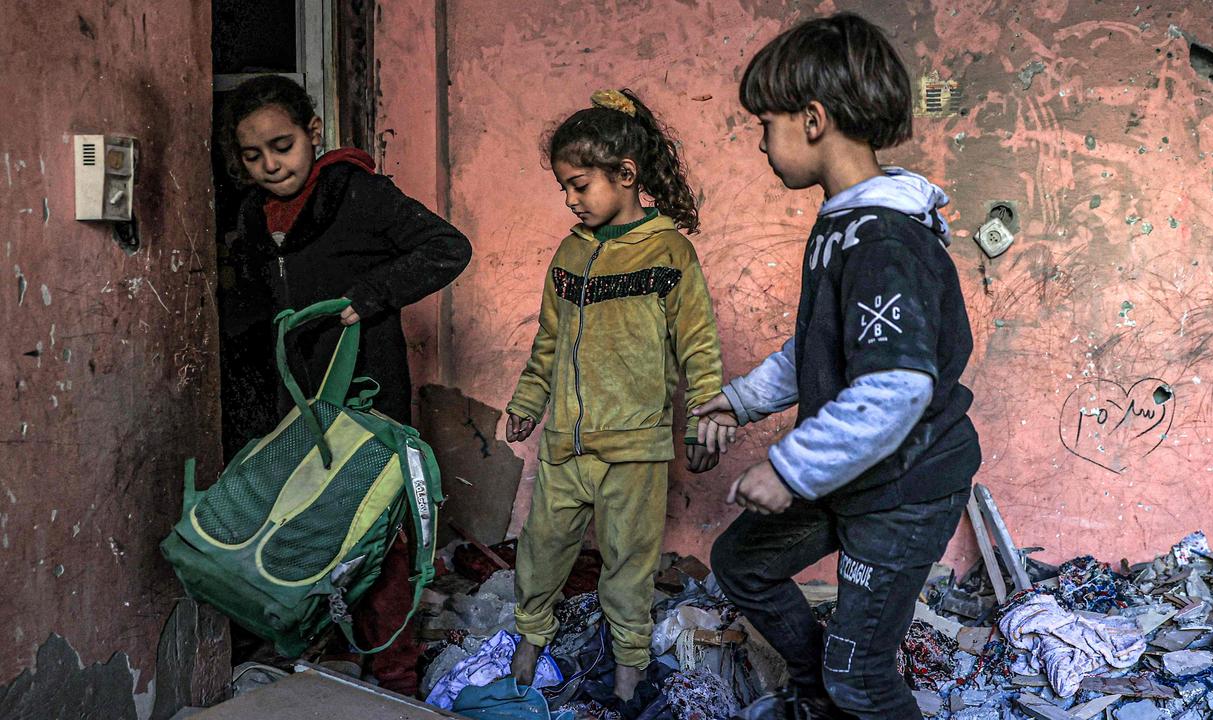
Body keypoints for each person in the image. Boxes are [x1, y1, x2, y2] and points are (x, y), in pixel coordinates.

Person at [692, 13, 982, 720]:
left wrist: (790, 470)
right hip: (857, 471)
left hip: (906, 486)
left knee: (863, 676)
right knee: (742, 564)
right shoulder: (842, 225)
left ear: (813, 119)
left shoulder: (882, 241)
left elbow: (895, 386)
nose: (761, 142)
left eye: (766, 123)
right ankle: (813, 691)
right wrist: (739, 402)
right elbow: (819, 347)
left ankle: (841, 686)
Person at [218, 74, 472, 697]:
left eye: (282, 145)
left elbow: (448, 248)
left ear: (314, 134)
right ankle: (322, 659)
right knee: (308, 526)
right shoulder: (254, 215)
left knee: (378, 529)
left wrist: (366, 298)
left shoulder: (355, 192)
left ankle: (394, 674)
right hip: (296, 406)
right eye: (253, 155)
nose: (270, 164)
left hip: (366, 397)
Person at [503, 89, 723, 701]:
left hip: (635, 449)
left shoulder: (669, 252)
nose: (570, 201)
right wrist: (527, 401)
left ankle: (628, 672)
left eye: (578, 186)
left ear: (625, 175)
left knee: (629, 565)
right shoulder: (571, 252)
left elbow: (698, 345)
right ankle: (528, 646)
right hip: (565, 446)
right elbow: (549, 339)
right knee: (541, 550)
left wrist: (705, 417)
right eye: (564, 190)